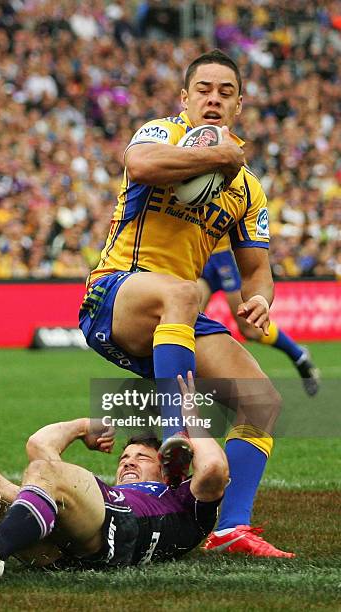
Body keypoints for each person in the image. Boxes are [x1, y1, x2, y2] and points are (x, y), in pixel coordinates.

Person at [79, 49, 294, 556]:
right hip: (115, 293)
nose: (213, 99)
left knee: (262, 401)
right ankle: (178, 434)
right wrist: (219, 155)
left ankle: (229, 529)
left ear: (239, 104)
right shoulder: (161, 132)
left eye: (225, 92)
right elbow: (139, 164)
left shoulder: (248, 189)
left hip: (174, 315)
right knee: (181, 289)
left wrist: (260, 300)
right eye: (204, 90)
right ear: (185, 98)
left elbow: (257, 271)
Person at [0, 374, 235, 581]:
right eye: (124, 457)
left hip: (120, 529)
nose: (128, 462)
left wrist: (192, 420)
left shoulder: (182, 502)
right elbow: (38, 443)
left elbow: (213, 469)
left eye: (141, 458)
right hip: (61, 552)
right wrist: (85, 426)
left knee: (44, 471)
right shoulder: (111, 491)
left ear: (167, 471)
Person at [199, 234, 320, 396]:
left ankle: (298, 355)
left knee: (250, 329)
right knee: (188, 320)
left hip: (223, 257)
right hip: (199, 255)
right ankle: (171, 389)